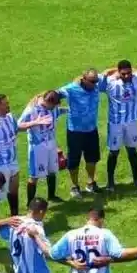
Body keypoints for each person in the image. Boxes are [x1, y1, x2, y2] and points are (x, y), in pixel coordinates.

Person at [100, 60, 137, 191]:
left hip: (132, 122)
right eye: (123, 74)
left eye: (129, 73)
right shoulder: (110, 82)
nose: (126, 76)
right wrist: (111, 71)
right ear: (119, 72)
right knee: (114, 152)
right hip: (115, 124)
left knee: (132, 151)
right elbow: (94, 76)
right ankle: (110, 183)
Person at [58, 69, 103, 198]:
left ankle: (90, 183)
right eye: (92, 81)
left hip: (91, 130)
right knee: (74, 160)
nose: (94, 84)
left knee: (92, 159)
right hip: (75, 132)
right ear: (84, 79)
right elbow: (53, 95)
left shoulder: (96, 85)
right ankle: (75, 186)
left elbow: (109, 73)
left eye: (96, 81)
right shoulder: (71, 89)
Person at [19, 90, 67, 206]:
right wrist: (35, 122)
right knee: (34, 176)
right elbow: (18, 126)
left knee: (52, 170)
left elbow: (57, 112)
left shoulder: (53, 107)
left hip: (51, 143)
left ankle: (52, 196)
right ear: (48, 101)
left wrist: (68, 110)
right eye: (54, 105)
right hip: (38, 147)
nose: (55, 107)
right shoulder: (32, 109)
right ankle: (30, 203)